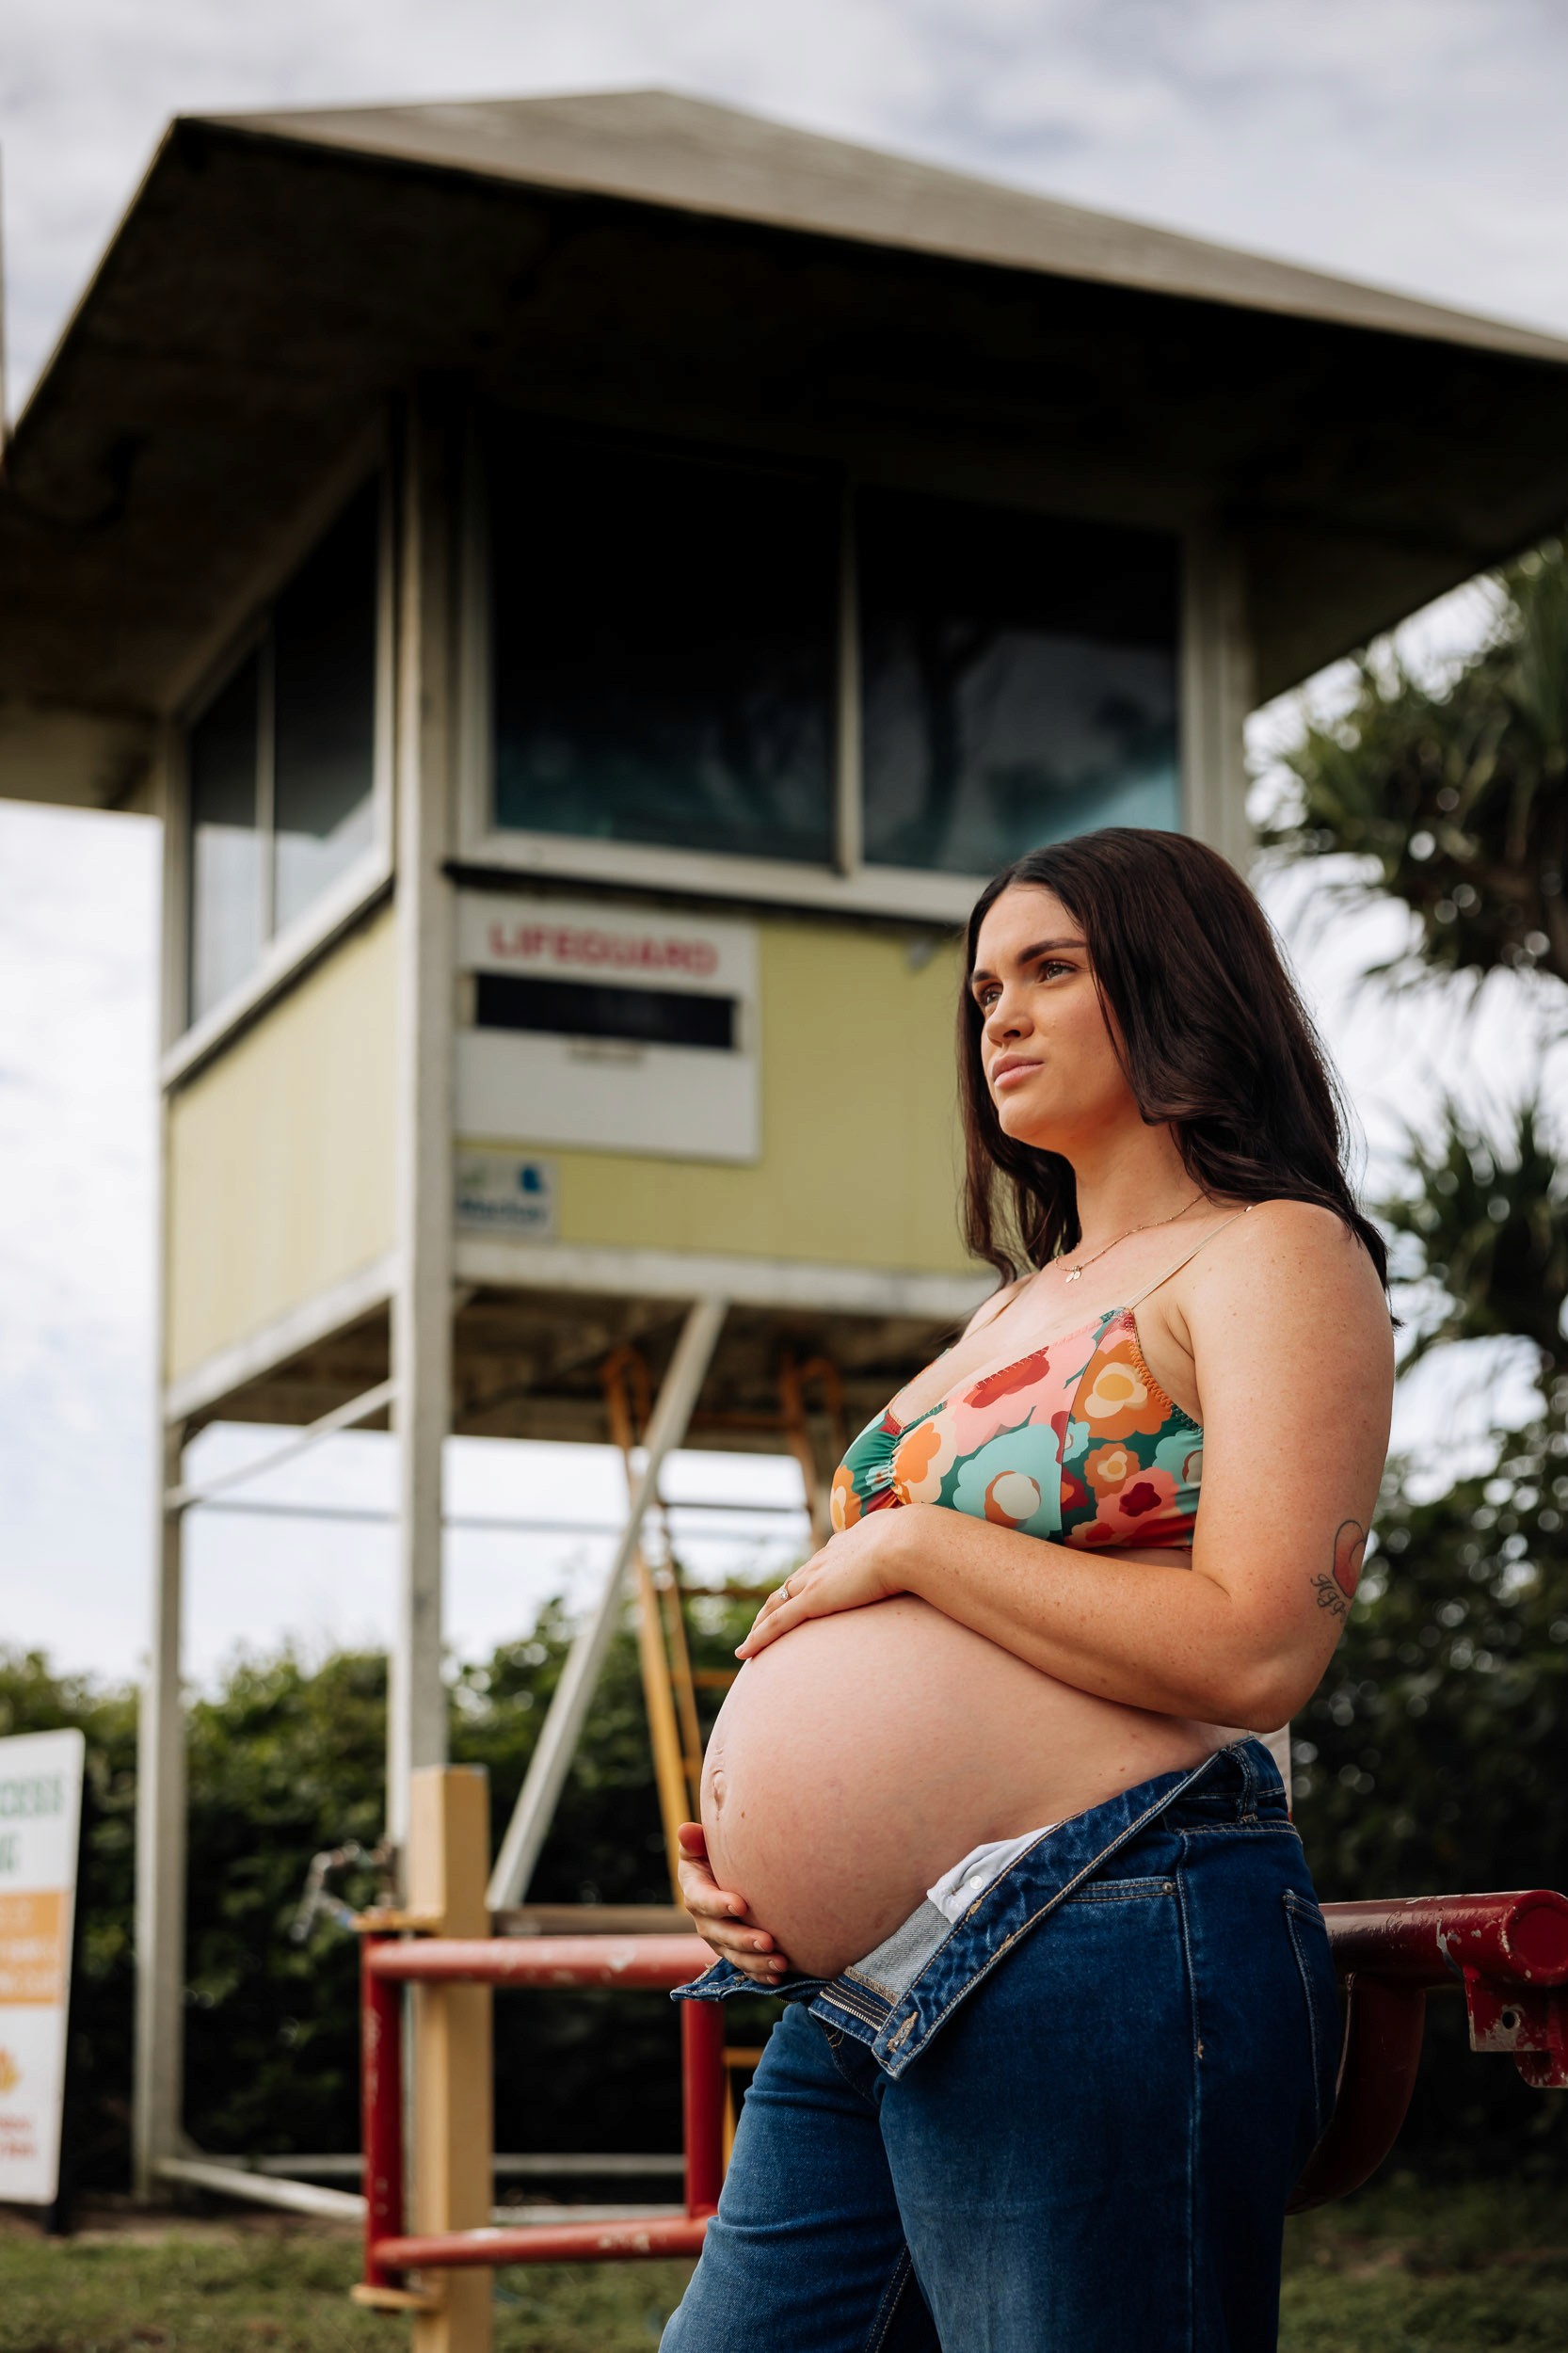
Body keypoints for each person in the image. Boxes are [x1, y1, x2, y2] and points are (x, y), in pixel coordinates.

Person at [662, 827, 1395, 2353]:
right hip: (860, 1975)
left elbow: (1257, 1648)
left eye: (1049, 970)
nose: (996, 1013)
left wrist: (915, 1545)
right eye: (985, 984)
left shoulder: (1270, 1255)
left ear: (1175, 987)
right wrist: (756, 1863)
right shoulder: (1010, 1304)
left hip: (1102, 1925)